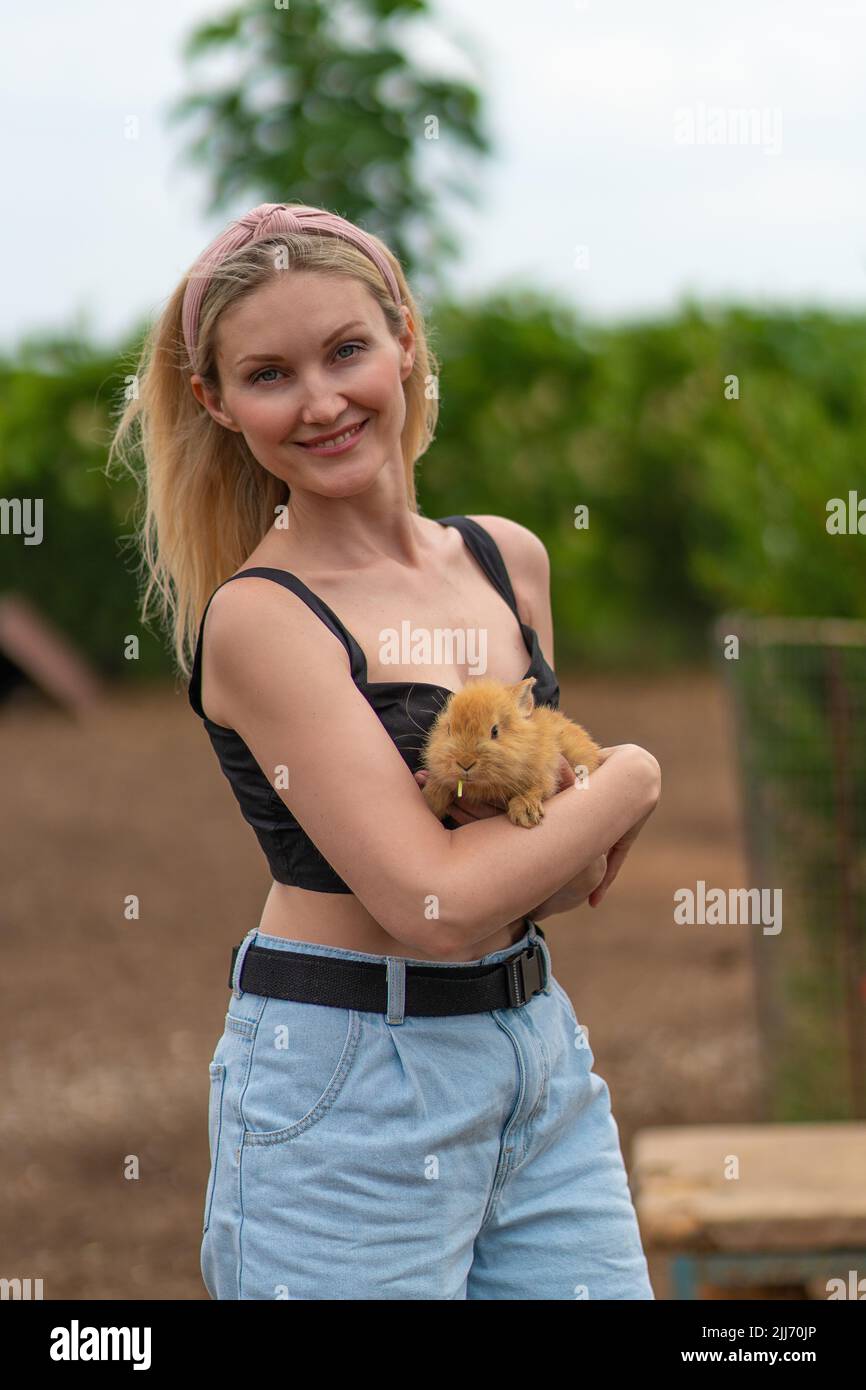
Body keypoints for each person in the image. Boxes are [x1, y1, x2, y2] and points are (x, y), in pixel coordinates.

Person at [109, 202, 661, 1300]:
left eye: (347, 350)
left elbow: (532, 870)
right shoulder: (264, 619)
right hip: (349, 1084)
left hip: (534, 1055)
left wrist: (543, 843)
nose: (320, 402)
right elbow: (436, 907)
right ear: (216, 403)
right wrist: (633, 779)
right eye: (269, 375)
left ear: (404, 337)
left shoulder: (508, 562)